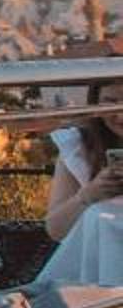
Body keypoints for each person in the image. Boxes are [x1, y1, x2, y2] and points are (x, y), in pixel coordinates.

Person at [44, 83, 123, 243]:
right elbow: (56, 231)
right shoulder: (78, 147)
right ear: (96, 105)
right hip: (103, 258)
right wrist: (90, 194)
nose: (121, 116)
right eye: (110, 103)